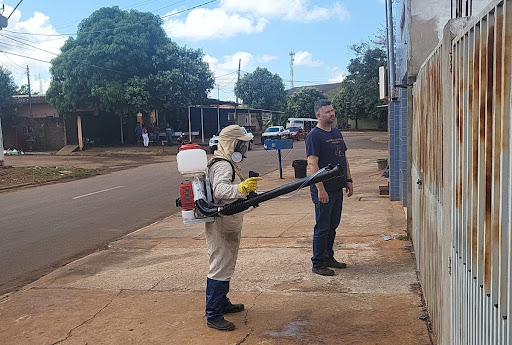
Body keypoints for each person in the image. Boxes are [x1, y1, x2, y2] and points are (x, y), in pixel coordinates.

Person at [204, 125, 262, 331]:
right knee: (220, 266)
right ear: (232, 144)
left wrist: (245, 190)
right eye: (241, 144)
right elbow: (220, 190)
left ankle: (222, 302)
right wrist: (242, 188)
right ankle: (213, 313)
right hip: (222, 224)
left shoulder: (227, 163)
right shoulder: (222, 165)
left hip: (228, 222)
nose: (244, 148)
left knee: (227, 264)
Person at [305, 99, 353, 276]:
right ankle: (317, 263)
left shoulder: (337, 133)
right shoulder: (314, 136)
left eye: (332, 111)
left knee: (333, 225)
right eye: (327, 112)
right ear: (318, 115)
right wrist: (321, 190)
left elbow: (344, 158)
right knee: (322, 226)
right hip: (323, 190)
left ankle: (328, 257)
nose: (331, 114)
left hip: (337, 187)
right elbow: (312, 164)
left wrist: (349, 180)